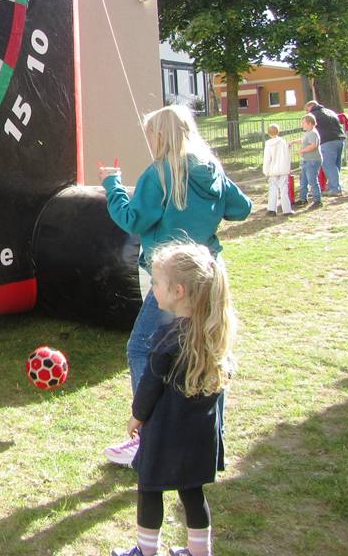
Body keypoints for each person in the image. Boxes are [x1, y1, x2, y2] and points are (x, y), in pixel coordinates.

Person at [98, 104, 251, 466]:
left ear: (161, 135)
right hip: (209, 272)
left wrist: (112, 184)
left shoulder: (159, 174)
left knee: (141, 348)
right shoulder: (211, 169)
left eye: (150, 133)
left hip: (174, 279)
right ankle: (212, 436)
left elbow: (131, 219)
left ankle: (148, 438)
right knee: (209, 350)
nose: (149, 140)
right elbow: (241, 208)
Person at [110, 243, 237, 556]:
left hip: (166, 432)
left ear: (178, 291)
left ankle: (145, 550)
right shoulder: (212, 335)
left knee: (149, 488)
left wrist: (137, 416)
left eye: (156, 282)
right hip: (199, 435)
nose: (152, 288)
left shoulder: (167, 339)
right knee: (192, 492)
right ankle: (199, 552)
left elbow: (149, 386)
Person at [305, 100, 346, 195]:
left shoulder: (313, 115)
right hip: (339, 139)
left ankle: (335, 188)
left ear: (310, 107)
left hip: (327, 141)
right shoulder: (329, 111)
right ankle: (334, 185)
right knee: (336, 165)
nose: (307, 112)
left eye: (307, 110)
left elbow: (310, 129)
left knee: (328, 165)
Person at [261, 123, 293, 216]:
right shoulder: (283, 142)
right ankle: (287, 210)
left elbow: (267, 158)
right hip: (283, 169)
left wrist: (266, 170)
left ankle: (272, 209)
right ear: (278, 132)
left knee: (273, 189)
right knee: (284, 189)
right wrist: (288, 168)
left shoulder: (268, 144)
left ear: (268, 133)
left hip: (273, 170)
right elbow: (287, 156)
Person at [296, 114, 323, 208]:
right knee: (303, 181)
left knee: (312, 181)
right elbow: (304, 141)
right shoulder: (308, 133)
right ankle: (303, 198)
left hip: (312, 160)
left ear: (310, 123)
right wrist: (293, 142)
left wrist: (301, 151)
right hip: (307, 160)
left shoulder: (312, 133)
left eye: (303, 123)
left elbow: (313, 146)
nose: (302, 125)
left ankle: (317, 200)